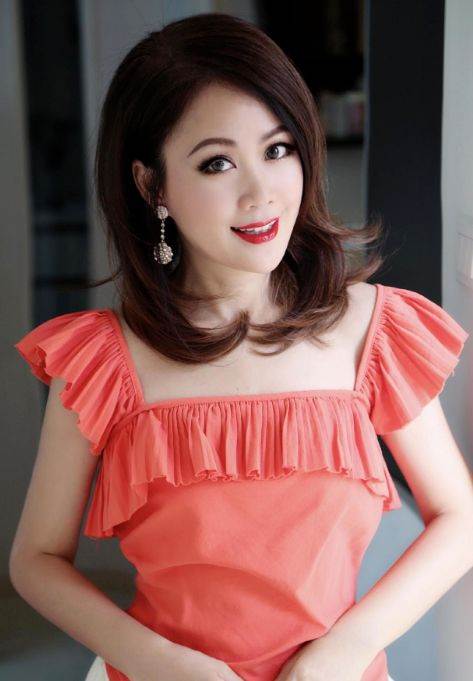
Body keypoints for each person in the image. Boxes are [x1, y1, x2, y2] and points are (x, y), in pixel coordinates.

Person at [9, 12, 472, 681]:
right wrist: (162, 662)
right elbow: (36, 559)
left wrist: (345, 649)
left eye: (278, 149)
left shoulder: (373, 330)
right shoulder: (104, 360)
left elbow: (458, 516)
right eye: (218, 162)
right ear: (151, 185)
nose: (261, 193)